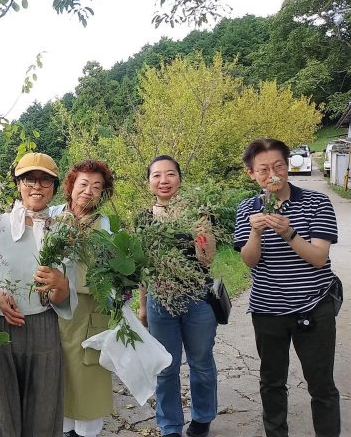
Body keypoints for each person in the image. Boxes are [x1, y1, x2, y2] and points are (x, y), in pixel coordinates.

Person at [234, 138, 339, 437]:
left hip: (314, 308)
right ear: (251, 174)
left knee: (321, 385)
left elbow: (319, 258)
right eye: (263, 169)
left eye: (278, 165)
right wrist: (256, 232)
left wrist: (289, 232)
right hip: (268, 311)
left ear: (288, 166)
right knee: (272, 383)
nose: (272, 174)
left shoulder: (317, 202)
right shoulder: (247, 210)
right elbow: (250, 261)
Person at [0, 152, 78, 437]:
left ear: (54, 188)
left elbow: (65, 298)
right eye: (29, 179)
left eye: (45, 181)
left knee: (43, 413)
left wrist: (59, 283)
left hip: (43, 326)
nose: (37, 187)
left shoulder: (63, 232)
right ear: (18, 184)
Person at [138, 155, 217, 437]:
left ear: (179, 179)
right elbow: (143, 266)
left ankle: (202, 419)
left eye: (170, 174)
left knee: (201, 363)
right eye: (156, 175)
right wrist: (143, 305)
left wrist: (200, 233)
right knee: (165, 367)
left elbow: (207, 260)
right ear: (149, 182)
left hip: (197, 299)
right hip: (161, 301)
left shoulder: (197, 212)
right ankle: (170, 426)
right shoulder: (144, 219)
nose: (164, 180)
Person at [49, 159, 115, 437]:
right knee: (58, 380)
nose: (89, 191)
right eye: (84, 184)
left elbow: (108, 268)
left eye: (97, 187)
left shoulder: (104, 224)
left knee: (87, 382)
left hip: (89, 311)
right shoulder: (51, 215)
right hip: (53, 311)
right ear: (71, 185)